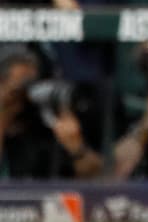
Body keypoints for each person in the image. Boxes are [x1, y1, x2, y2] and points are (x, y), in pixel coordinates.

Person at [0, 50, 103, 180]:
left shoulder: (46, 125)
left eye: (32, 82)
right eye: (20, 86)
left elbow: (100, 181)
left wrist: (77, 149)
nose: (24, 93)